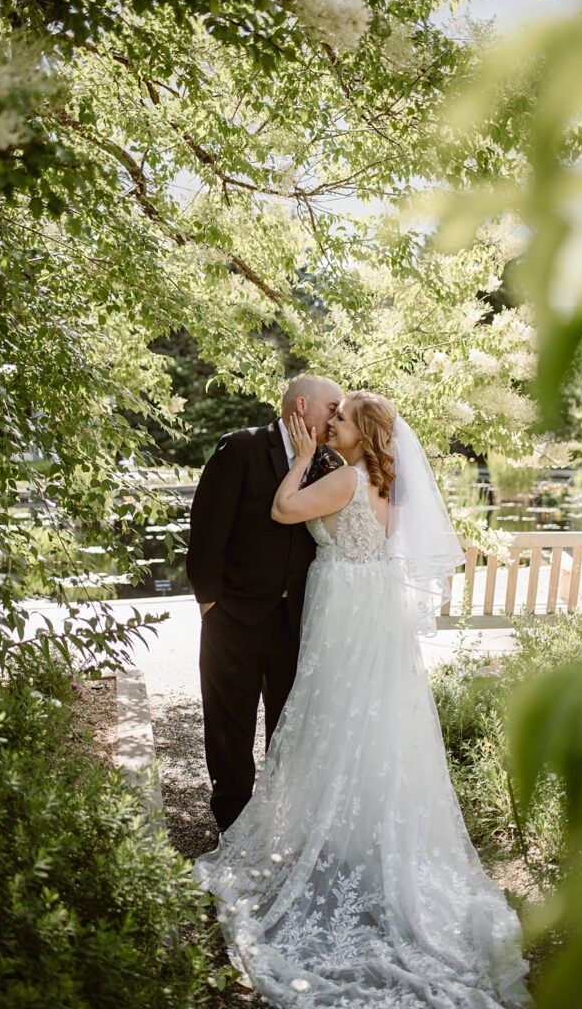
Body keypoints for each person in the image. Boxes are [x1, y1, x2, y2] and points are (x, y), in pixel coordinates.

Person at [194, 391, 530, 1009]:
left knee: (330, 716)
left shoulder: (344, 478)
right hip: (373, 611)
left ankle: (330, 838)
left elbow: (283, 508)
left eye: (342, 419)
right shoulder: (388, 484)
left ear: (363, 434)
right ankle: (361, 839)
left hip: (342, 612)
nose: (331, 423)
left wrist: (298, 458)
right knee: (371, 723)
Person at [186, 374, 343, 832]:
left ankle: (277, 827)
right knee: (229, 726)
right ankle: (232, 826)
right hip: (232, 617)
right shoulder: (240, 448)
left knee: (288, 727)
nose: (336, 417)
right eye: (332, 408)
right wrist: (209, 605)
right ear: (301, 407)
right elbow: (206, 533)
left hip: (296, 621)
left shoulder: (330, 464)